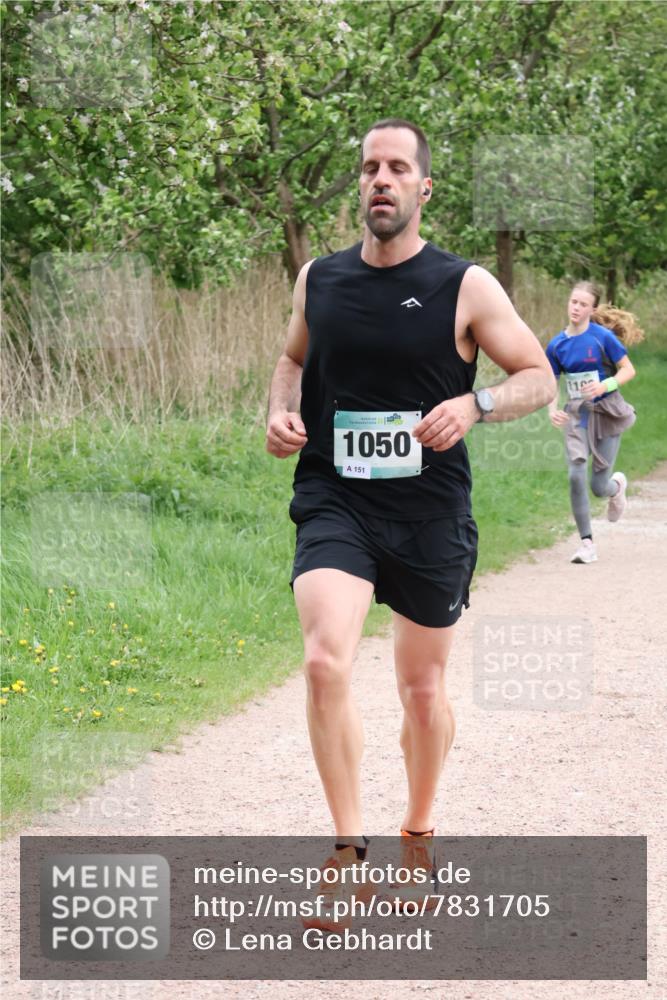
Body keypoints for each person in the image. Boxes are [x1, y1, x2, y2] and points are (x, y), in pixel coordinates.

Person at [265, 118, 555, 931]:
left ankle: (417, 837)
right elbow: (291, 360)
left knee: (420, 690)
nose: (380, 179)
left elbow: (537, 377)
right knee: (325, 659)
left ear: (423, 187)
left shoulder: (464, 286)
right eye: (368, 168)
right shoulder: (317, 278)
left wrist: (476, 402)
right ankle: (348, 853)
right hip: (335, 498)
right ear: (358, 185)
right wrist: (281, 414)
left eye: (397, 168)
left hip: (429, 511)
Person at [546, 282, 642, 564]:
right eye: (573, 302)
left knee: (598, 486)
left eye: (583, 304)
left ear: (593, 309)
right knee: (576, 474)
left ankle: (616, 487)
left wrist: (605, 385)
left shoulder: (602, 338)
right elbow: (551, 381)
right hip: (577, 415)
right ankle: (587, 543)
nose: (576, 308)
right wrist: (552, 410)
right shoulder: (557, 344)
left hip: (608, 411)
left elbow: (628, 369)